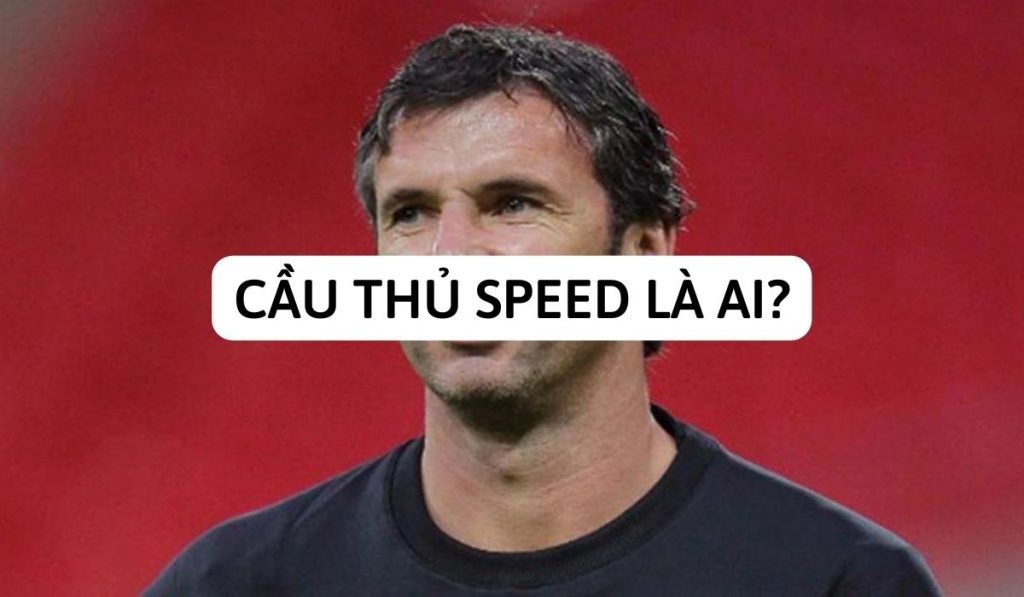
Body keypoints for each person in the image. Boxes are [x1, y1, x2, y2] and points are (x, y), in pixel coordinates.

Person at [146, 25, 940, 595]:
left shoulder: (834, 579)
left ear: (644, 253)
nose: (451, 257)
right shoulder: (236, 582)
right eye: (411, 213)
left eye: (513, 202)